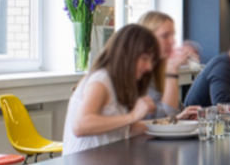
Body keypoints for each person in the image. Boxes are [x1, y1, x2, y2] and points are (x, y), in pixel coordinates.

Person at [63, 24, 160, 155]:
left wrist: (174, 122)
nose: (148, 67)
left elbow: (128, 129)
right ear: (126, 53)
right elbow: (81, 125)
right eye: (144, 58)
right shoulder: (101, 80)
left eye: (151, 60)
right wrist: (132, 116)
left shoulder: (117, 83)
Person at [138, 11, 200, 120]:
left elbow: (176, 111)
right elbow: (166, 116)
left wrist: (185, 115)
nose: (173, 41)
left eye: (173, 35)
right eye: (165, 36)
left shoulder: (159, 68)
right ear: (147, 38)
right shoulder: (137, 72)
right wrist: (172, 71)